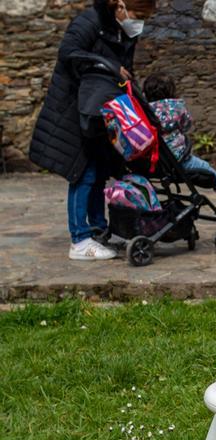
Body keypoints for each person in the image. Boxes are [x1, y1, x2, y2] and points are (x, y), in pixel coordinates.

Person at [29, 0, 156, 261]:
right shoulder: (89, 21)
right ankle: (79, 239)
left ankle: (99, 230)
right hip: (76, 106)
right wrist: (107, 65)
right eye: (137, 14)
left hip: (101, 109)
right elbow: (68, 53)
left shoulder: (123, 31)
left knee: (99, 171)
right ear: (120, 5)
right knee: (82, 173)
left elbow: (125, 70)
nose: (139, 22)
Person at [141, 73, 216, 199]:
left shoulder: (143, 111)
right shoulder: (176, 107)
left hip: (153, 162)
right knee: (202, 167)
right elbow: (186, 125)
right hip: (177, 159)